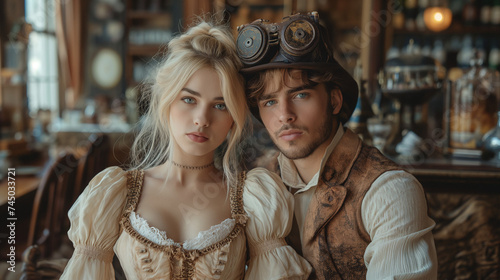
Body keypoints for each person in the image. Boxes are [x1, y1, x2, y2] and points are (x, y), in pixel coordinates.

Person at [60, 20, 311, 280]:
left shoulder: (253, 198)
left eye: (220, 105)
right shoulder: (115, 193)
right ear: (166, 102)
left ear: (234, 118)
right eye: (189, 99)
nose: (202, 119)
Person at [237, 11, 438, 279]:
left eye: (300, 94)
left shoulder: (389, 191)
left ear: (334, 101)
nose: (284, 114)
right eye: (269, 101)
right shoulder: (256, 183)